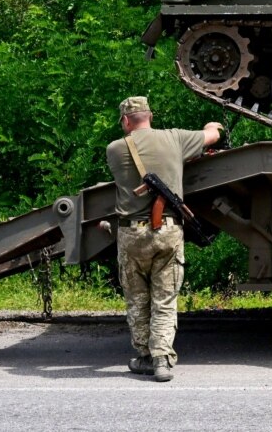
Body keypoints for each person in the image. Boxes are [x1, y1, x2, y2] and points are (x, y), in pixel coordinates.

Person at [106, 97, 222, 382]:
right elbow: (213, 135)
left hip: (131, 234)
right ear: (151, 116)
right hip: (167, 231)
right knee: (165, 299)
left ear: (125, 121)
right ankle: (161, 361)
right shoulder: (175, 138)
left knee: (137, 299)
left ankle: (144, 356)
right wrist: (212, 124)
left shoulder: (115, 149)